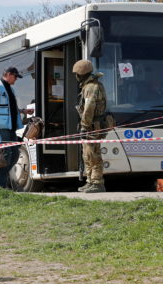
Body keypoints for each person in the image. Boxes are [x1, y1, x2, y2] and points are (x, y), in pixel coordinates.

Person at [0, 67, 34, 188]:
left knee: (15, 154)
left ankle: (2, 184)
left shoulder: (10, 90)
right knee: (6, 155)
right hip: (1, 128)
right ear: (8, 74)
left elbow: (9, 109)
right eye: (15, 76)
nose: (16, 79)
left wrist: (23, 111)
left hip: (11, 128)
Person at [73, 59, 107, 193]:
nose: (76, 76)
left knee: (94, 155)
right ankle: (90, 181)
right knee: (87, 155)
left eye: (77, 73)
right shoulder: (88, 86)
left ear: (81, 74)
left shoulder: (91, 87)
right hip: (91, 126)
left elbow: (89, 108)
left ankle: (98, 183)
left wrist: (84, 126)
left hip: (93, 126)